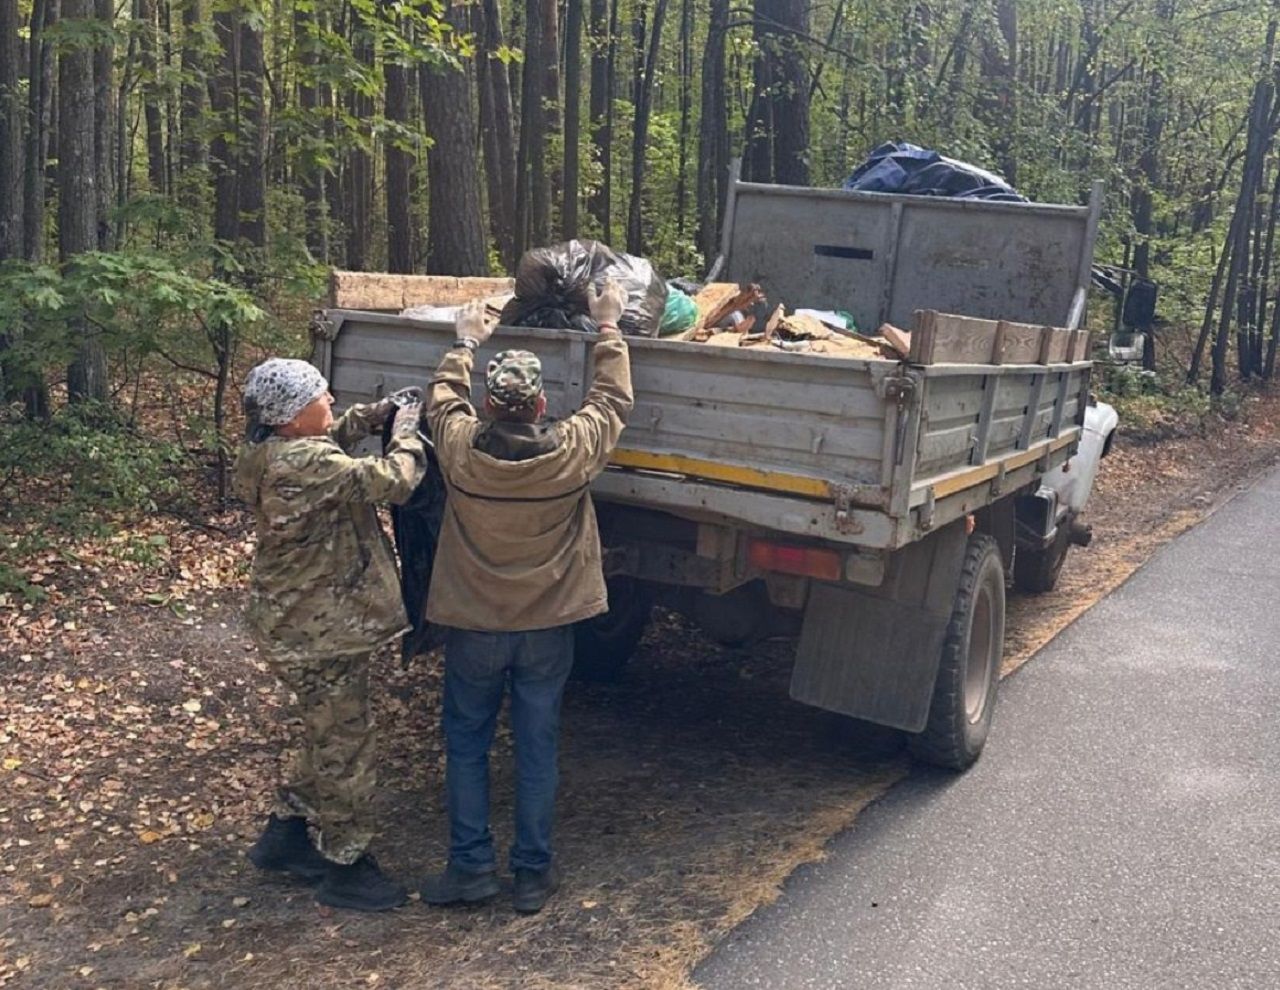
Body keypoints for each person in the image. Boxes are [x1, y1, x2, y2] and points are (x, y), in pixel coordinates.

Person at [420, 280, 633, 914]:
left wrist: (465, 341)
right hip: (547, 628)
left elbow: (440, 399)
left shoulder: (459, 450)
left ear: (488, 402)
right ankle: (533, 876)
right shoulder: (571, 453)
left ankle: (470, 868)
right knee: (537, 747)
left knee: (466, 745)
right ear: (542, 403)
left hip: (475, 626)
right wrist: (609, 326)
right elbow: (613, 398)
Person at [234, 357, 427, 912]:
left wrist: (374, 415)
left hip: (294, 622)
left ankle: (287, 833)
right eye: (322, 395)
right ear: (292, 418)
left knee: (323, 730)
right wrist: (407, 430)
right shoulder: (304, 463)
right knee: (346, 743)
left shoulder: (266, 449)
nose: (332, 401)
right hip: (320, 630)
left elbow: (330, 437)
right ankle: (346, 863)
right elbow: (394, 481)